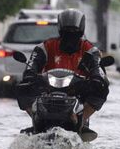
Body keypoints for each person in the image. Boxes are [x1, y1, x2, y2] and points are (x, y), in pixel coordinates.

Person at [16, 8, 109, 139]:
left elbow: (98, 69)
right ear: (60, 31)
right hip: (47, 90)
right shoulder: (45, 47)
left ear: (81, 32)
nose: (70, 37)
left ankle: (81, 121)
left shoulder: (90, 50)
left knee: (102, 89)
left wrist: (98, 79)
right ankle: (35, 117)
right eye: (66, 33)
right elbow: (32, 65)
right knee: (22, 88)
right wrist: (30, 75)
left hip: (77, 91)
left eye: (74, 33)